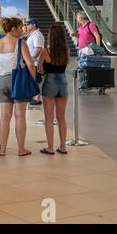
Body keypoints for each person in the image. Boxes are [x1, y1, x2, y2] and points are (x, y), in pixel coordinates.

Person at [0, 17, 36, 157]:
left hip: (1, 80)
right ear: (13, 29)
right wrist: (33, 80)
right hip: (17, 81)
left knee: (4, 116)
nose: (23, 29)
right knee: (20, 116)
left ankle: (3, 149)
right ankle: (21, 149)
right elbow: (29, 64)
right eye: (21, 27)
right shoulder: (20, 43)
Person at [38, 24, 70, 155]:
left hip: (49, 82)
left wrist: (44, 70)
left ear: (51, 36)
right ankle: (63, 146)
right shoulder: (66, 50)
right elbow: (65, 65)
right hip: (63, 82)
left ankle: (50, 147)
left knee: (49, 118)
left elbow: (39, 69)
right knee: (61, 118)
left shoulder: (46, 51)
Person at [25, 18, 45, 106]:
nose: (27, 26)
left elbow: (38, 48)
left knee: (37, 80)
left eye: (28, 24)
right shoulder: (32, 34)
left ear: (34, 25)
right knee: (33, 80)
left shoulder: (37, 35)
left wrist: (32, 59)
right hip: (31, 62)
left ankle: (37, 98)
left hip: (35, 62)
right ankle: (34, 97)